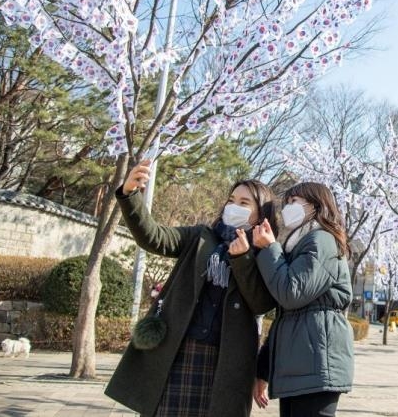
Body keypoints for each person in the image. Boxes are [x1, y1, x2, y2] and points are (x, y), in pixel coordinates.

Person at [105, 159, 278, 417]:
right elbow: (155, 237)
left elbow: (262, 303)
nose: (233, 206)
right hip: (178, 349)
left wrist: (242, 259)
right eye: (231, 200)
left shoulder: (266, 253)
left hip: (227, 361)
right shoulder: (200, 237)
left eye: (244, 203)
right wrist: (130, 195)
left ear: (260, 214)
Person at [252, 182, 354, 417]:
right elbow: (287, 316)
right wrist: (264, 370)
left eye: (294, 201)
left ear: (316, 206)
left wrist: (270, 249)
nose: (287, 207)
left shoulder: (322, 240)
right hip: (301, 366)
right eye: (286, 202)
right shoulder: (299, 245)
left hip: (316, 366)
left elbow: (291, 294)